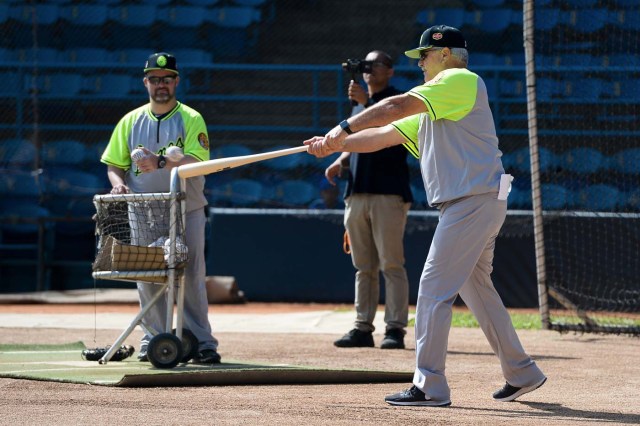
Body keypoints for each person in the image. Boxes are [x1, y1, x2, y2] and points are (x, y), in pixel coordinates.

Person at [305, 25, 546, 406]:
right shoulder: (436, 102)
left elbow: (393, 106)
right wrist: (335, 144)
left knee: (433, 290)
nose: (420, 63)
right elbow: (385, 134)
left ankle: (429, 385)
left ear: (446, 54)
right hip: (474, 202)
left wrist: (341, 127)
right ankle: (522, 371)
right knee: (478, 292)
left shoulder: (459, 80)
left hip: (472, 202)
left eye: (425, 56)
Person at [101, 52, 221, 364]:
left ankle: (204, 343)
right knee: (147, 274)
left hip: (186, 207)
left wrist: (162, 162)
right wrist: (117, 183)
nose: (161, 84)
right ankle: (152, 341)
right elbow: (115, 164)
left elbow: (200, 162)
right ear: (146, 83)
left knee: (192, 274)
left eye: (167, 79)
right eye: (154, 79)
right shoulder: (130, 120)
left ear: (176, 81)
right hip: (143, 210)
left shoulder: (191, 118)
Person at [326, 50, 413, 350]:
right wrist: (341, 159)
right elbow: (356, 136)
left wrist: (365, 104)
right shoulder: (361, 103)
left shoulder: (397, 100)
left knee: (391, 264)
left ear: (390, 71)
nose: (369, 69)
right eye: (367, 64)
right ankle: (362, 327)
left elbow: (385, 132)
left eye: (377, 64)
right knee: (363, 265)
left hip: (389, 192)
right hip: (358, 191)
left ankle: (395, 329)